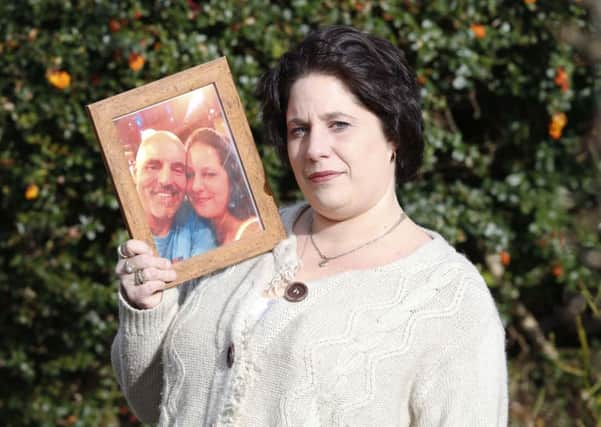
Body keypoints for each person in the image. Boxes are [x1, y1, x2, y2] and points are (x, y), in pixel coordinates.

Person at [113, 26, 508, 426]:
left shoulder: (449, 299)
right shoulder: (242, 240)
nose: (315, 149)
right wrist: (147, 309)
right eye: (299, 129)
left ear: (394, 134)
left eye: (339, 124)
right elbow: (161, 403)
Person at [132, 130, 215, 263]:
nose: (166, 180)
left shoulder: (195, 219)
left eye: (178, 170)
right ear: (135, 175)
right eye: (153, 167)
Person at [185, 127, 262, 246]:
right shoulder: (199, 238)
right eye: (189, 175)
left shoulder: (253, 233)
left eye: (209, 174)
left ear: (232, 178)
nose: (195, 186)